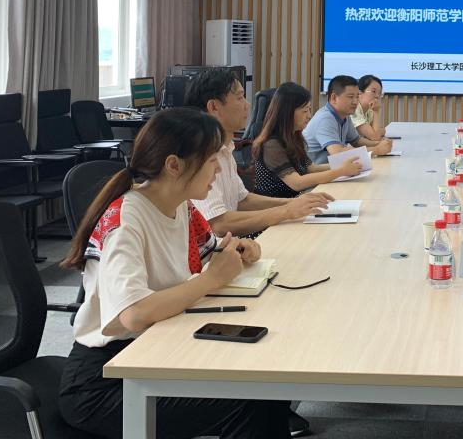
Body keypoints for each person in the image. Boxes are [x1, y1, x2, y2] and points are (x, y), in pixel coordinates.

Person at [57, 108, 296, 438]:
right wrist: (211, 279)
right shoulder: (125, 221)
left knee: (267, 379)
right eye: (211, 160)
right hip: (105, 381)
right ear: (174, 165)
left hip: (154, 347)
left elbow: (212, 250)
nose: (218, 169)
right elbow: (134, 314)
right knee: (250, 400)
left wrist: (240, 250)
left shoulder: (181, 206)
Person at [185, 68, 333, 238]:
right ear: (214, 107)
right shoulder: (200, 154)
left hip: (235, 242)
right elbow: (219, 224)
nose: (247, 105)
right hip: (221, 248)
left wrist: (294, 203)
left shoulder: (226, 148)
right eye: (240, 97)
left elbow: (243, 200)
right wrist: (286, 211)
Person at [252, 81, 365, 198]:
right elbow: (297, 183)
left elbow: (310, 168)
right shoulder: (271, 144)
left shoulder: (295, 136)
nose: (309, 116)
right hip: (276, 205)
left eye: (309, 110)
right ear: (288, 113)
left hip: (296, 200)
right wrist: (340, 171)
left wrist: (343, 166)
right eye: (305, 111)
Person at [303, 74, 393, 164]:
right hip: (316, 170)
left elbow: (357, 141)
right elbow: (337, 153)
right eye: (350, 97)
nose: (355, 102)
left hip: (332, 168)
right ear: (334, 98)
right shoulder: (325, 118)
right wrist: (376, 150)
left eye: (357, 97)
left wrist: (379, 144)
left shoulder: (345, 115)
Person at [353, 74, 386, 141]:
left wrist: (378, 132)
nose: (377, 96)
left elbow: (380, 131)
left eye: (379, 93)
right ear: (360, 93)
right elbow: (375, 137)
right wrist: (376, 111)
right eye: (373, 91)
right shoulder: (354, 109)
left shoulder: (369, 110)